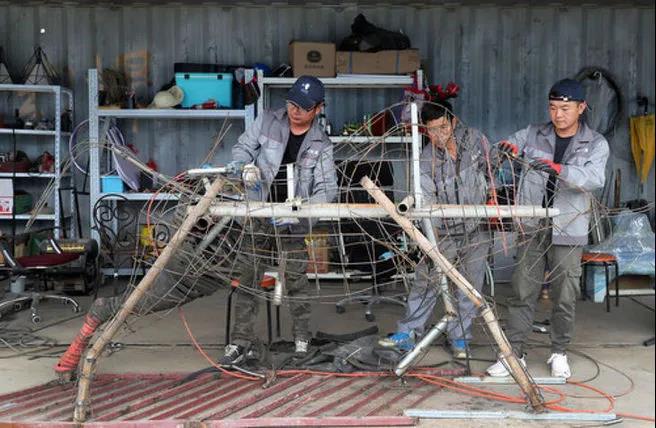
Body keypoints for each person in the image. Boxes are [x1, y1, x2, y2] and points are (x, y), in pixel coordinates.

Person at [487, 78, 609, 378]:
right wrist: (505, 149)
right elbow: (501, 149)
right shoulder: (532, 134)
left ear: (581, 108)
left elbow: (594, 178)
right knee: (522, 290)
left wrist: (559, 169)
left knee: (564, 294)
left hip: (569, 227)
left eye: (565, 109)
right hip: (532, 225)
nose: (558, 115)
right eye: (553, 108)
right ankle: (514, 354)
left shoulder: (595, 143)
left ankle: (559, 352)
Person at [220, 75, 338, 365]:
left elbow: (327, 190)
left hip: (293, 220)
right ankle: (240, 341)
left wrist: (299, 211)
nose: (295, 111)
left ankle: (302, 339)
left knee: (296, 279)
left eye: (304, 107)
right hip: (259, 211)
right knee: (249, 276)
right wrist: (243, 166)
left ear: (318, 108)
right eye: (292, 104)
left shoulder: (322, 144)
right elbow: (243, 147)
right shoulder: (267, 120)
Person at [378, 100, 492, 359]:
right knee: (427, 281)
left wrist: (492, 197)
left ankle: (460, 337)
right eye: (431, 130)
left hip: (478, 227)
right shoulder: (425, 160)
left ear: (453, 122)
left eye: (443, 127)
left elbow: (492, 169)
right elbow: (426, 200)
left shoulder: (476, 141)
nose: (438, 135)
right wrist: (432, 241)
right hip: (445, 231)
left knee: (470, 285)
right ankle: (408, 332)